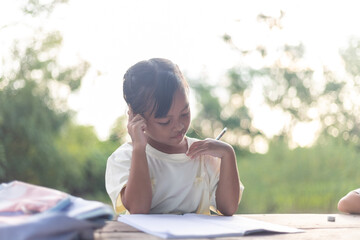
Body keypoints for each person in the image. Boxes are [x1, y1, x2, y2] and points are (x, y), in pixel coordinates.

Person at [105, 58, 244, 216]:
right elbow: (138, 209)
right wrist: (139, 148)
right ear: (136, 118)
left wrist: (228, 154)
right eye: (165, 121)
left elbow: (228, 208)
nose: (179, 126)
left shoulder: (204, 154)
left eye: (185, 113)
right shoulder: (125, 158)